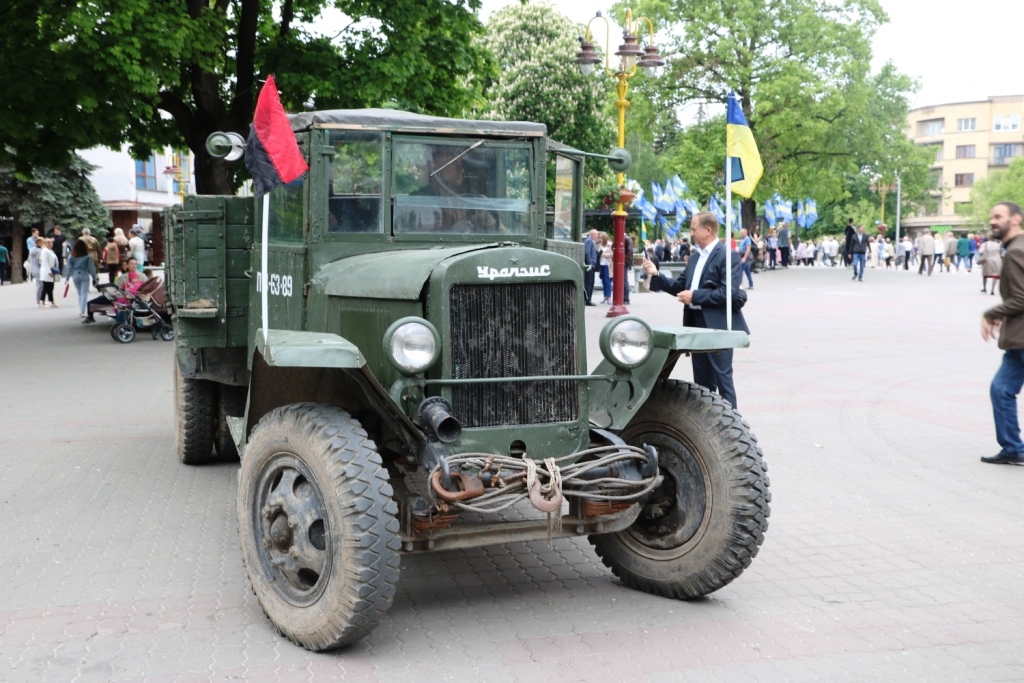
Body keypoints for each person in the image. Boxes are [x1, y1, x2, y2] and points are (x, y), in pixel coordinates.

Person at [642, 211, 747, 409]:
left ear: (708, 230)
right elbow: (679, 286)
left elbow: (728, 293)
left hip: (718, 327)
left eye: (693, 229)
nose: (691, 233)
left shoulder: (728, 255)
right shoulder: (696, 257)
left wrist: (695, 296)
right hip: (695, 324)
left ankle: (732, 429)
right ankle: (706, 424)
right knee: (702, 382)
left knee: (723, 379)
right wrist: (657, 274)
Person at [981, 202, 1024, 464]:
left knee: (1002, 389)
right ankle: (1013, 448)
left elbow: (1021, 297)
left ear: (1015, 219)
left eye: (999, 217)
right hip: (1018, 340)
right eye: (992, 217)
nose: (993, 221)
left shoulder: (1017, 251)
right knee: (1001, 389)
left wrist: (991, 313)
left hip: (1021, 338)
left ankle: (1013, 448)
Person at [64, 239, 97, 318]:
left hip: (75, 275)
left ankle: (80, 310)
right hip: (84, 274)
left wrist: (67, 278)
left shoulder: (71, 256)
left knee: (79, 293)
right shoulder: (87, 256)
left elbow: (69, 268)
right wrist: (94, 277)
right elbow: (91, 268)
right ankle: (82, 310)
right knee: (84, 293)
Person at [38, 238, 59, 308]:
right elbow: (45, 262)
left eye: (51, 242)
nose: (50, 244)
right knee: (46, 287)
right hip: (47, 272)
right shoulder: (45, 251)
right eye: (48, 242)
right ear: (45, 243)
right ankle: (42, 301)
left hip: (51, 270)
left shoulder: (50, 251)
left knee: (50, 287)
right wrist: (49, 271)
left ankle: (51, 301)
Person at [583, 229, 598, 306]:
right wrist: (590, 264)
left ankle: (588, 299)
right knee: (589, 283)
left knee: (590, 283)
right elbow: (587, 253)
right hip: (590, 266)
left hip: (591, 265)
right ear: (591, 234)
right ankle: (588, 300)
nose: (597, 236)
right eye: (596, 235)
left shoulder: (590, 241)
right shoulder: (589, 241)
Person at [598, 232, 612, 304]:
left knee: (607, 281)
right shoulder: (600, 245)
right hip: (601, 264)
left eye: (601, 238)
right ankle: (605, 296)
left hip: (607, 264)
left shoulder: (610, 244)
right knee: (603, 281)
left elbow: (612, 254)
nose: (600, 239)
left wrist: (603, 254)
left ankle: (609, 296)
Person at [623, 232, 634, 304]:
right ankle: (625, 297)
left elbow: (630, 251)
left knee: (624, 279)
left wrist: (625, 259)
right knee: (623, 279)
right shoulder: (627, 239)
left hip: (624, 262)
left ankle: (626, 298)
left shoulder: (627, 239)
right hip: (623, 261)